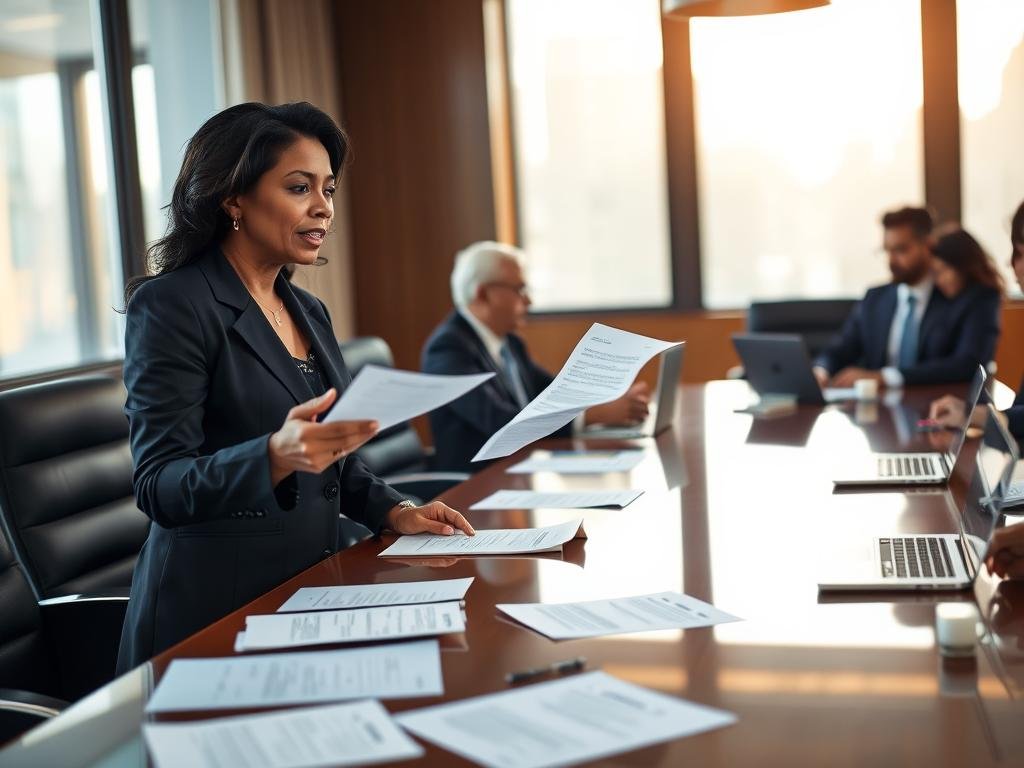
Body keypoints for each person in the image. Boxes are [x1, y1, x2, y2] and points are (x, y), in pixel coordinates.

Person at [117, 102, 474, 672]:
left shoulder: (308, 309)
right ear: (233, 197)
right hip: (213, 619)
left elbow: (335, 462)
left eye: (329, 190)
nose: (322, 208)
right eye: (299, 187)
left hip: (309, 594)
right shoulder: (171, 306)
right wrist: (271, 455)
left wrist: (396, 510)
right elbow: (160, 485)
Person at [421, 241, 650, 472]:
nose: (529, 301)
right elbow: (501, 424)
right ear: (483, 293)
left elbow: (556, 392)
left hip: (522, 468)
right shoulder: (448, 348)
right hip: (476, 483)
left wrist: (608, 398)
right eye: (519, 289)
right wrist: (593, 415)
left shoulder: (510, 342)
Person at [813, 206, 1001, 388]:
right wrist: (821, 370)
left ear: (928, 245)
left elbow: (966, 365)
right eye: (887, 251)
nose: (891, 261)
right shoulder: (875, 299)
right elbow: (840, 349)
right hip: (877, 412)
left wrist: (885, 377)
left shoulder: (957, 295)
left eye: (901, 250)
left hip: (936, 409)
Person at [930, 200, 1024, 437]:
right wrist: (982, 416)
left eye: (1021, 253)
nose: (1012, 265)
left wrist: (980, 415)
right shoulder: (943, 301)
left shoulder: (983, 299)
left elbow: (965, 362)